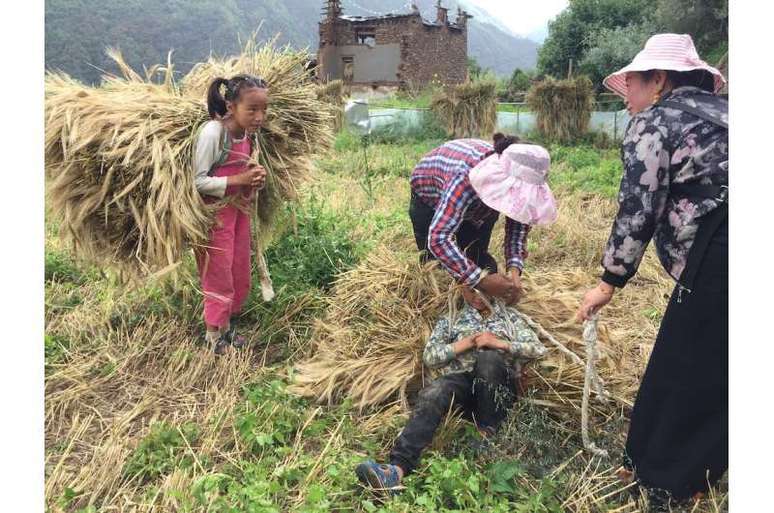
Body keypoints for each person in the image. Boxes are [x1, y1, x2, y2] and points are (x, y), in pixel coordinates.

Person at [576, 34, 728, 510]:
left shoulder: (656, 122)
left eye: (633, 85)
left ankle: (667, 480)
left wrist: (609, 281)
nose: (627, 98)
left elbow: (638, 208)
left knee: (689, 367)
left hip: (724, 251)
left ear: (659, 80)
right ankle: (669, 464)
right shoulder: (729, 114)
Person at [355, 281, 547, 494]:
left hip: (497, 391)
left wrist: (499, 343)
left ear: (493, 288)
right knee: (434, 392)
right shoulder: (451, 320)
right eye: (470, 289)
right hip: (462, 386)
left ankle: (485, 438)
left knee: (489, 359)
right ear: (461, 290)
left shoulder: (510, 318)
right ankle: (395, 470)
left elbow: (538, 349)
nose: (476, 295)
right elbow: (430, 357)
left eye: (483, 289)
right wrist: (463, 344)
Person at [409, 135, 557, 305]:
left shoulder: (519, 193)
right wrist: (480, 280)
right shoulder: (465, 175)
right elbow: (438, 238)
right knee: (437, 265)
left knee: (477, 257)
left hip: (473, 203)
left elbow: (517, 228)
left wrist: (514, 273)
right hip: (429, 196)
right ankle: (443, 305)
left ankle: (474, 295)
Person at [193, 75, 269, 355]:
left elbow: (244, 172)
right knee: (217, 273)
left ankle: (226, 328)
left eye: (264, 109)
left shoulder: (249, 135)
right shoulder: (214, 133)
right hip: (213, 216)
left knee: (238, 270)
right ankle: (212, 336)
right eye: (252, 109)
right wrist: (240, 180)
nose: (259, 116)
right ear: (231, 106)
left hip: (238, 213)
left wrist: (255, 179)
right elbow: (198, 182)